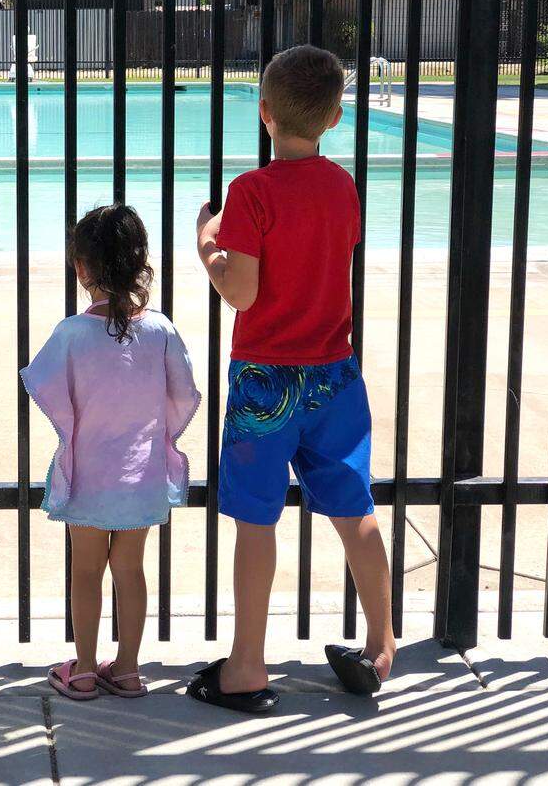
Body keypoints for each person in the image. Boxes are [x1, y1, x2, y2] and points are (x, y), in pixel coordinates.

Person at [189, 44, 396, 714]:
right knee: (351, 507)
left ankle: (247, 664)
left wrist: (209, 249)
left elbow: (243, 293)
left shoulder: (252, 191)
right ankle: (382, 642)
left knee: (257, 520)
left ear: (265, 113)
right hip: (334, 373)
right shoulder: (342, 186)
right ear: (336, 117)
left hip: (265, 382)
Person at [22, 203, 200, 700]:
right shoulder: (160, 330)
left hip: (90, 474)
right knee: (131, 570)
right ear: (140, 260)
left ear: (82, 268)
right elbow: (184, 394)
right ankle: (125, 668)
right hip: (140, 474)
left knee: (86, 570)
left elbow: (44, 386)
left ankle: (81, 668)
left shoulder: (72, 333)